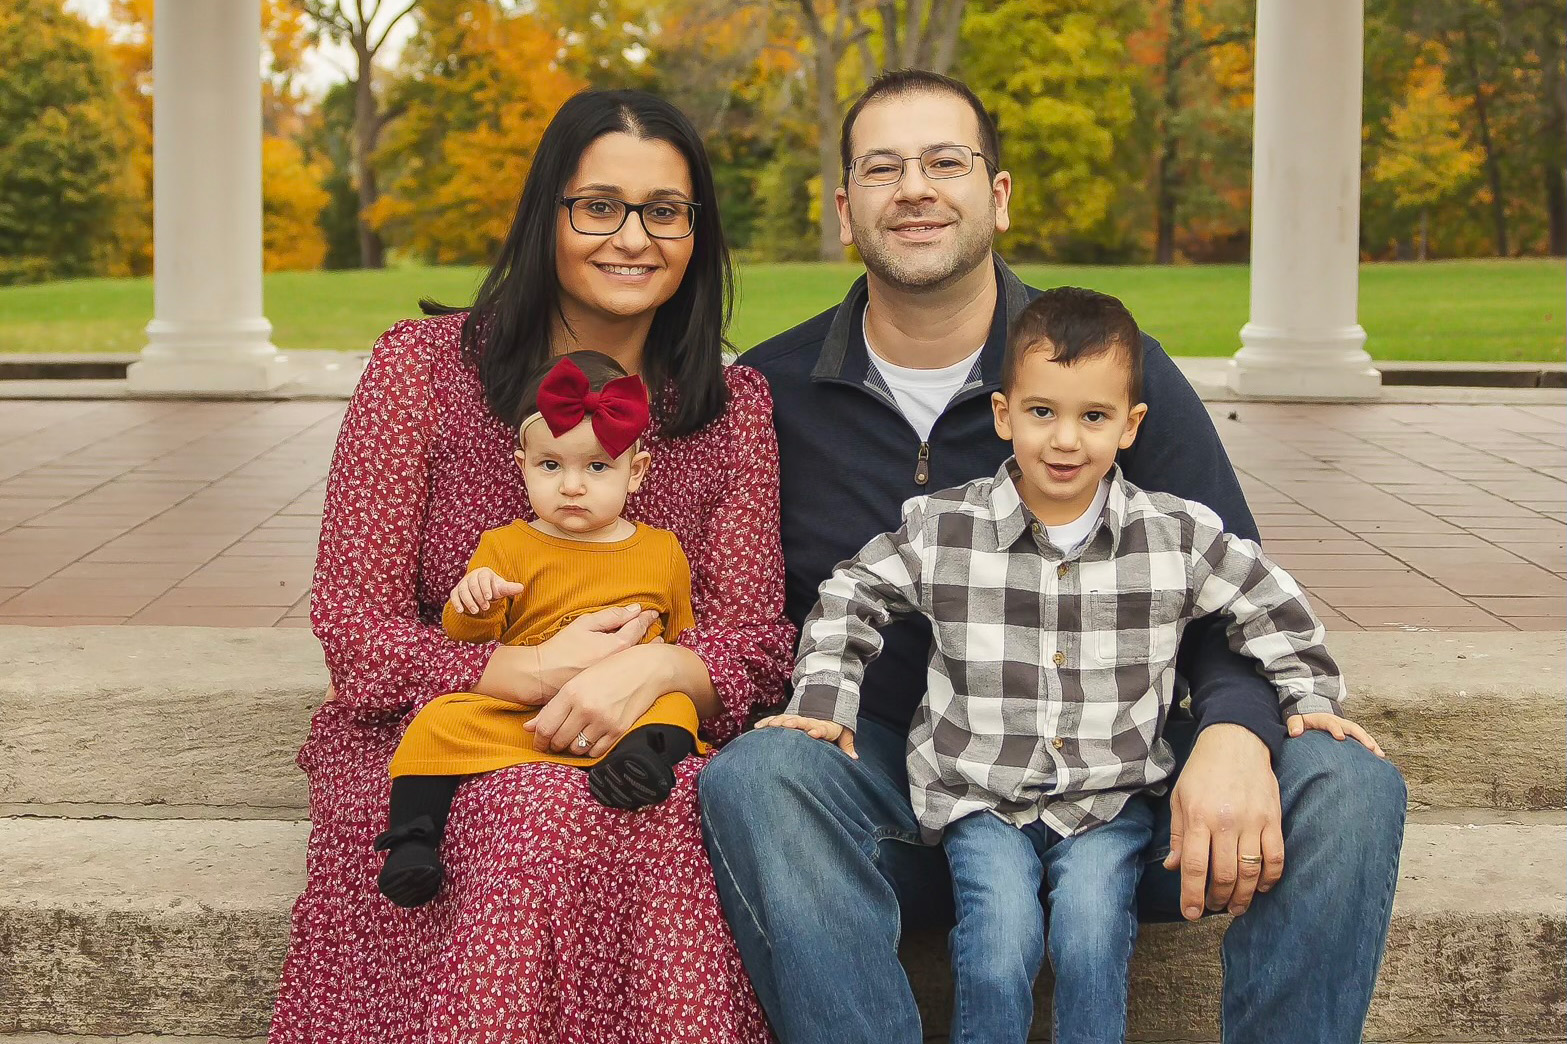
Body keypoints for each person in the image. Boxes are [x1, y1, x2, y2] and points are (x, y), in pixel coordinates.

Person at [699, 69, 1407, 1044]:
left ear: (995, 194)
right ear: (844, 209)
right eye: (883, 168)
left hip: (1116, 803)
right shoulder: (769, 394)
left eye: (945, 161)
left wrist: (1237, 730)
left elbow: (1227, 589)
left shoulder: (1109, 370)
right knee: (755, 780)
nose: (914, 187)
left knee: (1349, 787)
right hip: (906, 804)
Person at [270, 89, 794, 1044]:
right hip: (440, 738)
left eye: (664, 211)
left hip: (644, 739)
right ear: (545, 211)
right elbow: (355, 630)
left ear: (696, 231)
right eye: (597, 205)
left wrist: (663, 668)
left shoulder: (732, 407)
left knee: (653, 804)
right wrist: (528, 671)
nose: (632, 236)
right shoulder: (422, 372)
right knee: (534, 814)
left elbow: (753, 640)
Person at [753, 287, 1386, 1044]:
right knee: (997, 946)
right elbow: (851, 592)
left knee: (1090, 943)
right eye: (1041, 412)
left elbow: (1265, 600)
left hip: (1110, 804)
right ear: (1001, 414)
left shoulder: (1174, 536)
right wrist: (826, 696)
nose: (1063, 440)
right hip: (976, 800)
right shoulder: (945, 528)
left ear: (1130, 426)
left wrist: (1303, 694)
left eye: (1092, 417)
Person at [375, 351, 714, 908]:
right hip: (526, 713)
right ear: (522, 464)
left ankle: (640, 765)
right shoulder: (505, 546)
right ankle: (412, 841)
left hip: (623, 709)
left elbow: (681, 637)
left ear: (638, 472)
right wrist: (475, 601)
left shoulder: (662, 550)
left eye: (597, 467)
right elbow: (466, 642)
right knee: (437, 722)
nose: (572, 486)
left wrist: (658, 676)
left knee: (673, 705)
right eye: (551, 466)